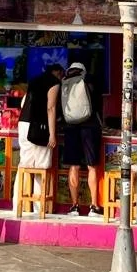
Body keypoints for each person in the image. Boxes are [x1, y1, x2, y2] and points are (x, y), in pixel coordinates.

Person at [13, 62, 62, 214]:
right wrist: (52, 134)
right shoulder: (54, 82)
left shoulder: (34, 80)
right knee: (41, 166)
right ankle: (38, 208)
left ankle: (18, 206)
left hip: (24, 124)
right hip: (39, 127)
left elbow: (23, 104)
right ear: (57, 73)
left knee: (25, 165)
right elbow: (51, 108)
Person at [61, 59, 103, 216]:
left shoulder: (65, 81)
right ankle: (93, 206)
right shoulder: (89, 79)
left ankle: (75, 206)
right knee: (92, 166)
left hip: (70, 127)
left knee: (74, 166)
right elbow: (98, 103)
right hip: (90, 127)